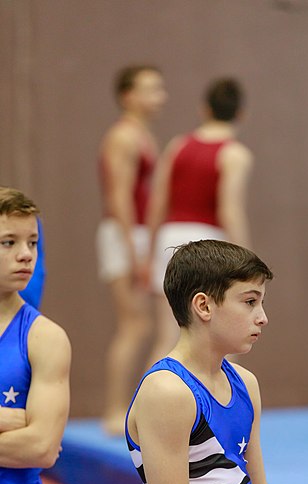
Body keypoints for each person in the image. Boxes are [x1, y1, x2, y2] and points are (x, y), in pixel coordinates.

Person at [126, 240, 288, 484]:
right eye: (250, 302)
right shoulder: (168, 391)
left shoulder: (246, 384)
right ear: (203, 305)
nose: (262, 316)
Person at [145, 77, 253, 364]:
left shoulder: (177, 146)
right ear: (241, 114)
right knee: (225, 334)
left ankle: (148, 404)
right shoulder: (235, 154)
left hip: (169, 236)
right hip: (209, 241)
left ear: (204, 109)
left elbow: (157, 203)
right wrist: (246, 259)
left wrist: (149, 251)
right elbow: (230, 209)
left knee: (167, 335)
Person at [0, 187, 71, 484]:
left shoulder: (45, 338)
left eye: (32, 243)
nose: (26, 255)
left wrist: (32, 432)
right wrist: (12, 420)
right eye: (8, 243)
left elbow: (42, 447)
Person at [96, 64, 167, 435]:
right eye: (151, 89)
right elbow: (118, 195)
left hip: (136, 234)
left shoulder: (142, 134)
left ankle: (130, 407)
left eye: (161, 89)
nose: (161, 96)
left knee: (143, 325)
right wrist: (134, 250)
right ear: (128, 95)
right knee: (134, 325)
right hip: (124, 233)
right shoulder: (123, 137)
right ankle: (114, 410)